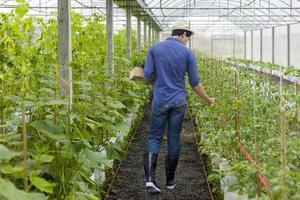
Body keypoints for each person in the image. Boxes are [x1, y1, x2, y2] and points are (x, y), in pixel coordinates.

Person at [143, 21, 216, 194]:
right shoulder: (187, 54)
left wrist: (157, 77)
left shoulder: (154, 49)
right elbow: (195, 83)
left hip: (160, 100)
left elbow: (147, 76)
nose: (187, 41)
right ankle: (170, 181)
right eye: (187, 38)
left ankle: (150, 180)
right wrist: (208, 100)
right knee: (174, 138)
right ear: (183, 35)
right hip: (178, 102)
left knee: (154, 137)